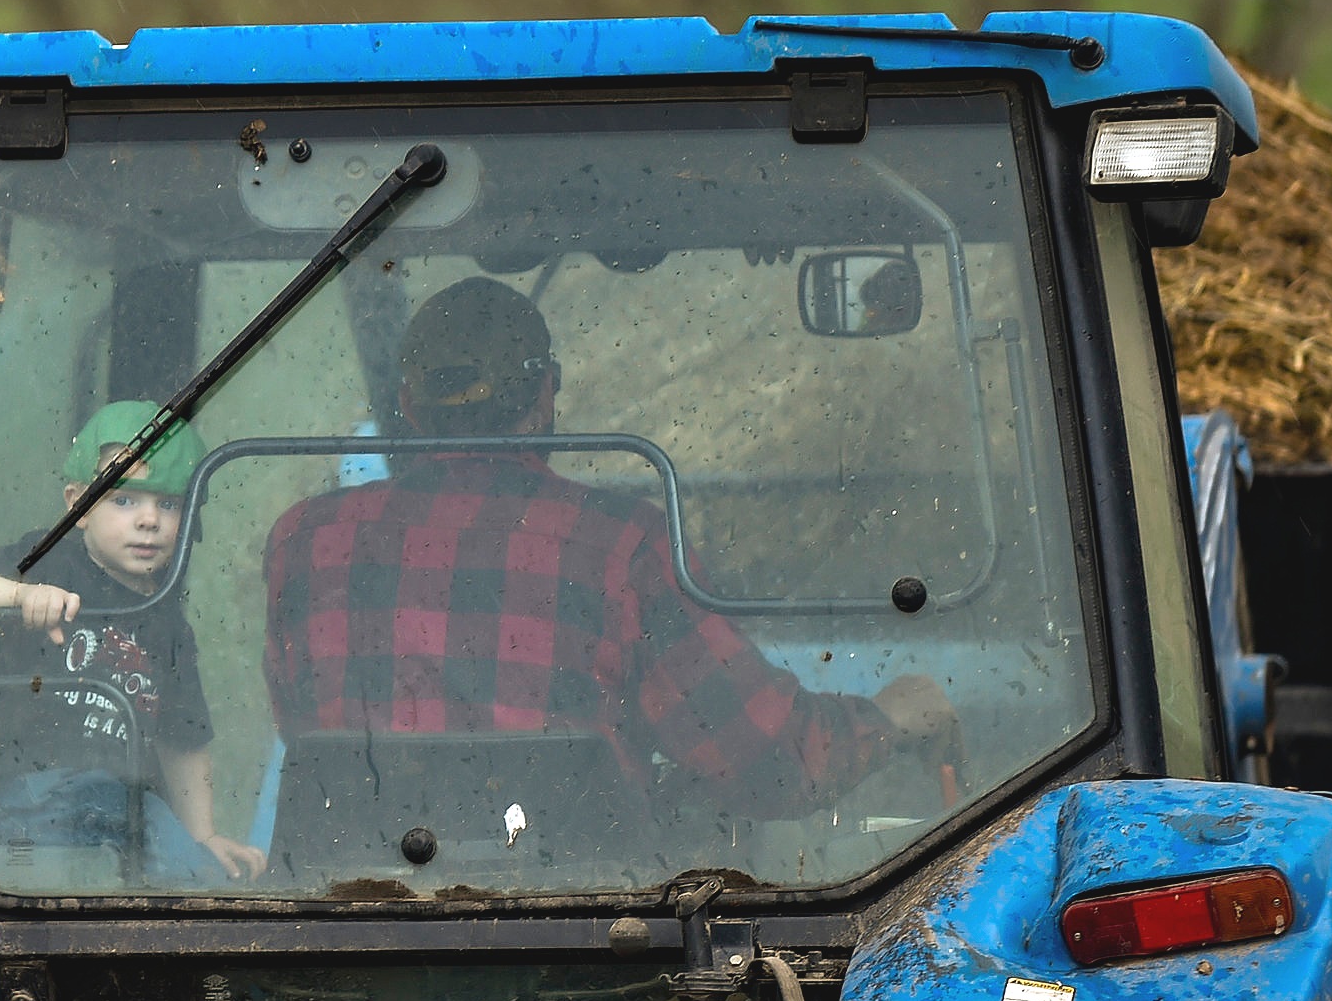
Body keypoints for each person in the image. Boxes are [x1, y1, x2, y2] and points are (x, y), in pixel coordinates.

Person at [261, 276, 958, 818]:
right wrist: (890, 716)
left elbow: (308, 731)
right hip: (579, 935)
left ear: (410, 405)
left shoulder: (302, 541)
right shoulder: (622, 544)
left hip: (354, 925)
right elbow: (765, 760)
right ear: (544, 395)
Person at [0, 401, 268, 883]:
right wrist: (18, 595)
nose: (149, 520)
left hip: (121, 812)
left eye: (168, 503)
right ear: (77, 505)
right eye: (123, 500)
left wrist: (201, 838)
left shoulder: (168, 623)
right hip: (18, 794)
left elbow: (182, 740)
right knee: (103, 824)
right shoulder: (46, 563)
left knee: (194, 871)